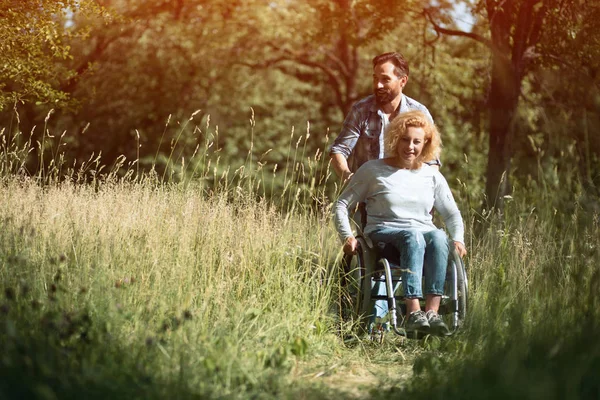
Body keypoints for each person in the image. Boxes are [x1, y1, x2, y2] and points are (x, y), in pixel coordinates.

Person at [333, 111, 467, 335]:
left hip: (423, 240)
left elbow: (452, 214)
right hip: (384, 238)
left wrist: (458, 239)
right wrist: (346, 235)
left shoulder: (431, 176)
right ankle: (413, 312)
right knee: (413, 236)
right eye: (405, 139)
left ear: (426, 144)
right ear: (395, 138)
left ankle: (431, 313)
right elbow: (341, 205)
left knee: (438, 236)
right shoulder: (373, 170)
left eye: (417, 141)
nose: (410, 147)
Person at [329, 52, 437, 182]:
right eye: (375, 78)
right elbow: (339, 150)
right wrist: (349, 179)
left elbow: (432, 161)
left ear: (403, 81)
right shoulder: (361, 110)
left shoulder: (420, 112)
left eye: (385, 79)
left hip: (406, 192)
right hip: (367, 194)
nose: (378, 85)